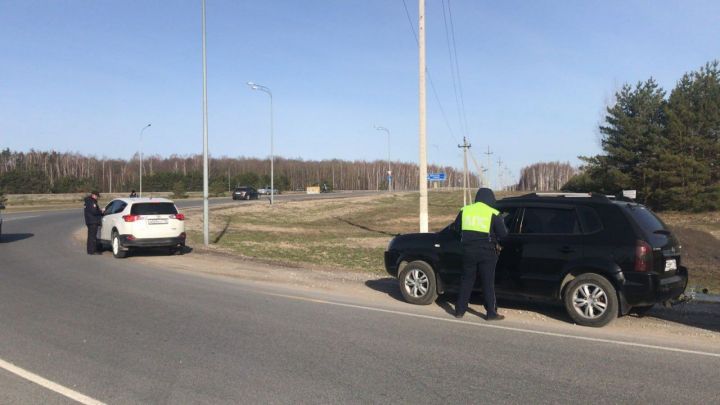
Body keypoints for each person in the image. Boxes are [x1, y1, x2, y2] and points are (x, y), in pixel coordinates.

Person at [454, 188, 508, 320]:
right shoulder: (493, 213)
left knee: (466, 280)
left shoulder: (465, 210)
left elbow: (456, 228)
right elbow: (503, 234)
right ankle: (491, 313)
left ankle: (460, 310)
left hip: (467, 251)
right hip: (486, 252)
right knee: (487, 282)